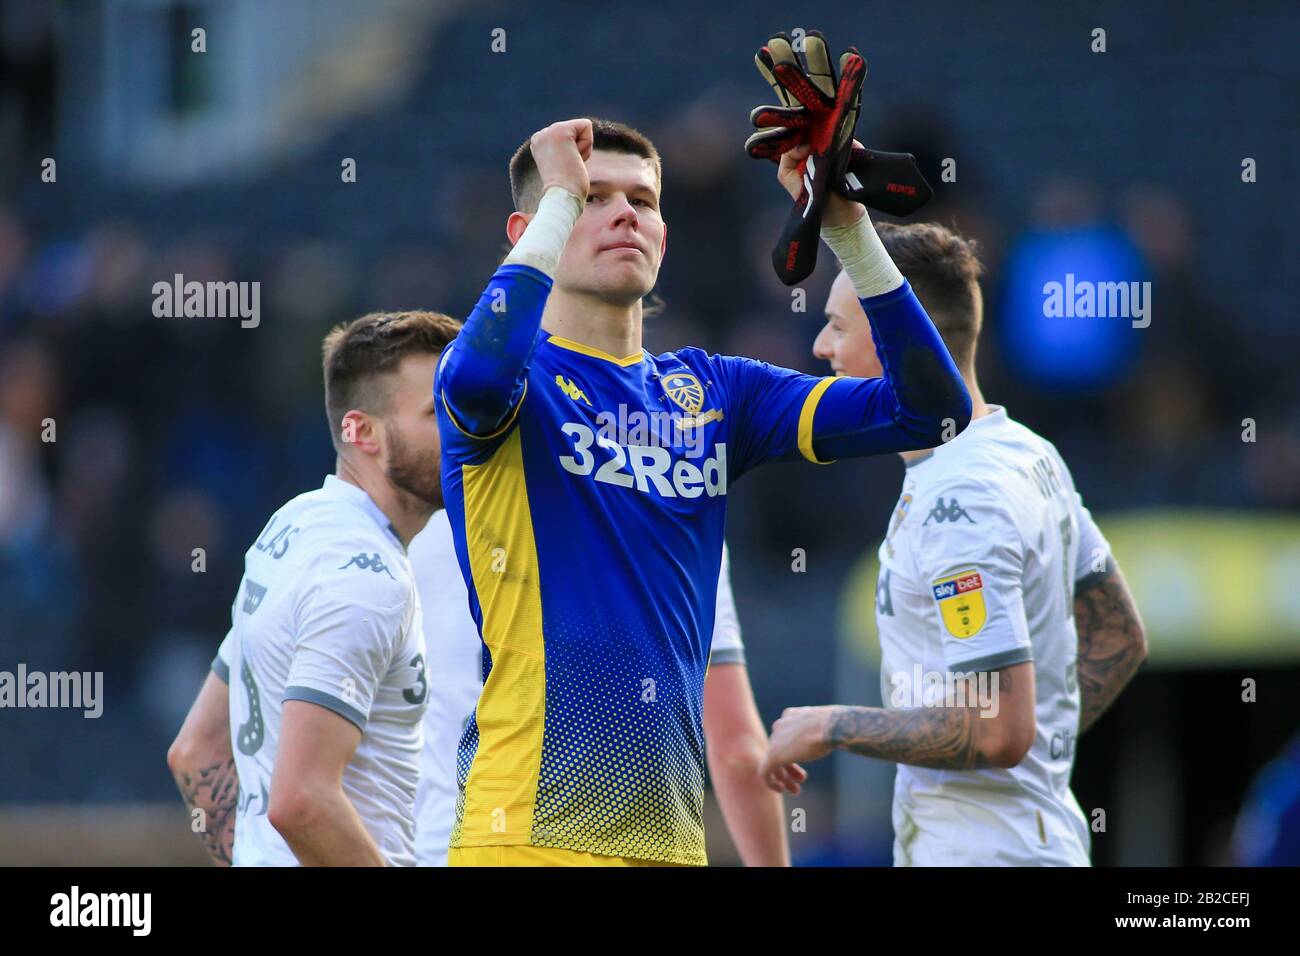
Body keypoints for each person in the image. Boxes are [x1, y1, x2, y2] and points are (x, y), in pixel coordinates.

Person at [435, 116, 970, 866]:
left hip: (675, 844)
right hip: (526, 831)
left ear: (665, 234)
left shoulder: (716, 392)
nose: (624, 212)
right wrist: (559, 197)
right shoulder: (512, 386)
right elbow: (476, 375)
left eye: (643, 201)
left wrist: (848, 229)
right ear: (534, 228)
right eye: (593, 198)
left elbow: (932, 410)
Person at [760, 222, 1148, 865]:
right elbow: (1119, 637)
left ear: (903, 342)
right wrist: (1035, 755)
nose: (823, 346)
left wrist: (833, 725)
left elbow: (999, 729)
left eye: (838, 326)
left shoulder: (959, 499)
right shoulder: (1025, 451)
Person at [167, 310, 460, 866]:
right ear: (362, 430)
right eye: (437, 412)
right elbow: (302, 802)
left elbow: (194, 752)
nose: (463, 428)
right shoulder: (364, 575)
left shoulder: (293, 528)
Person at [411, 531, 796, 866]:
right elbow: (738, 749)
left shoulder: (441, 501)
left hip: (441, 842)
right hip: (603, 845)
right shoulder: (687, 515)